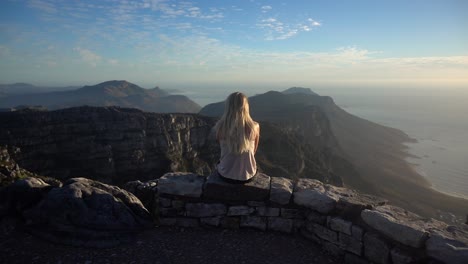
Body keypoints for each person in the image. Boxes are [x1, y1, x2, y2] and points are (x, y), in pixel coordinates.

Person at [214, 92, 260, 183]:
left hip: (225, 175)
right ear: (246, 107)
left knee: (219, 162)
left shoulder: (220, 127)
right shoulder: (255, 127)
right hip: (248, 175)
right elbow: (253, 151)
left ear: (228, 107)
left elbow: (223, 150)